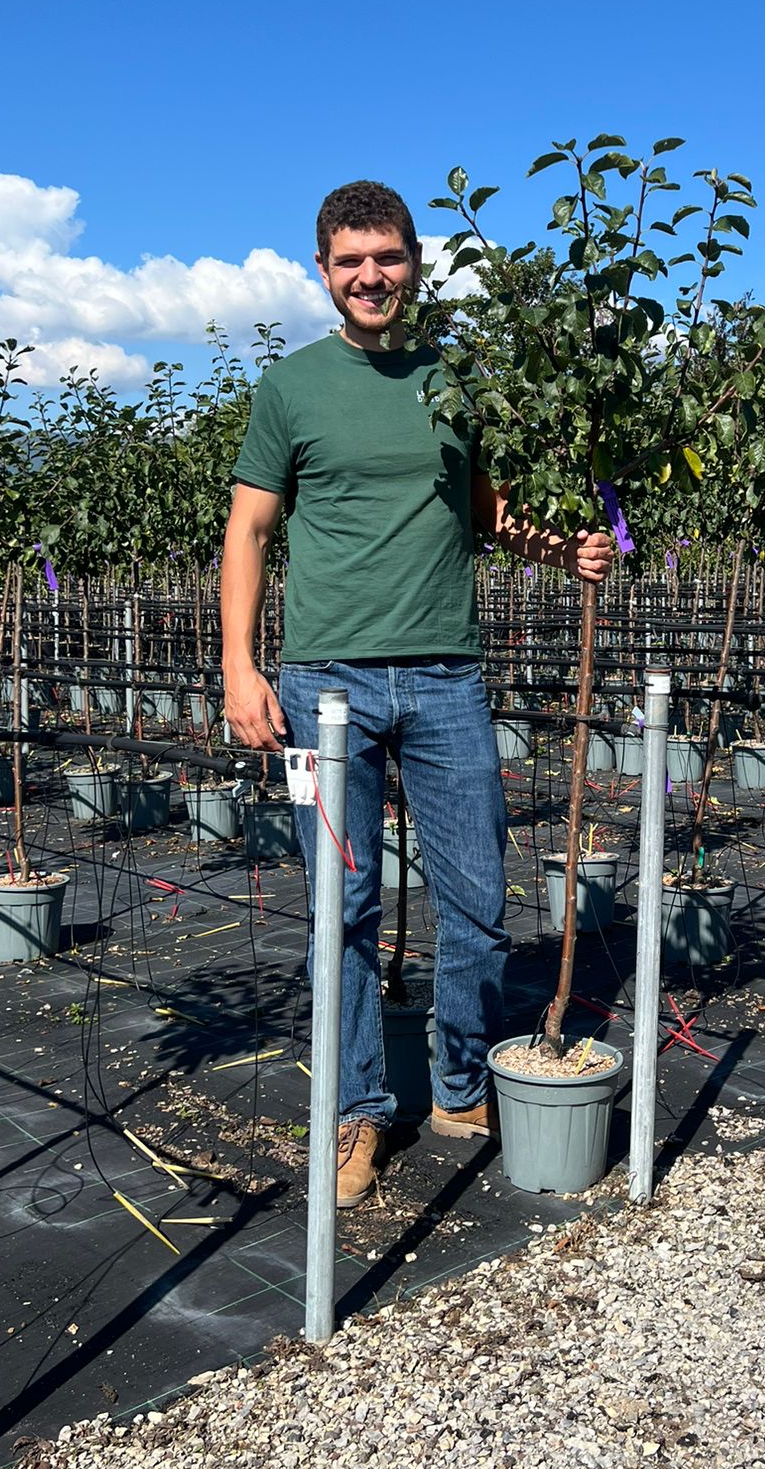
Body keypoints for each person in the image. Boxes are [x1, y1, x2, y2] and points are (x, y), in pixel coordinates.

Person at [220, 179, 613, 1209]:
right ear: (323, 271)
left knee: (478, 899)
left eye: (387, 256)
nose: (371, 276)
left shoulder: (456, 381)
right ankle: (358, 1108)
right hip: (324, 686)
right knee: (340, 908)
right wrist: (238, 668)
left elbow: (487, 512)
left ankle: (459, 1086)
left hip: (446, 676)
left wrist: (560, 547)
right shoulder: (291, 388)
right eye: (350, 260)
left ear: (416, 262)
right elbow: (249, 530)